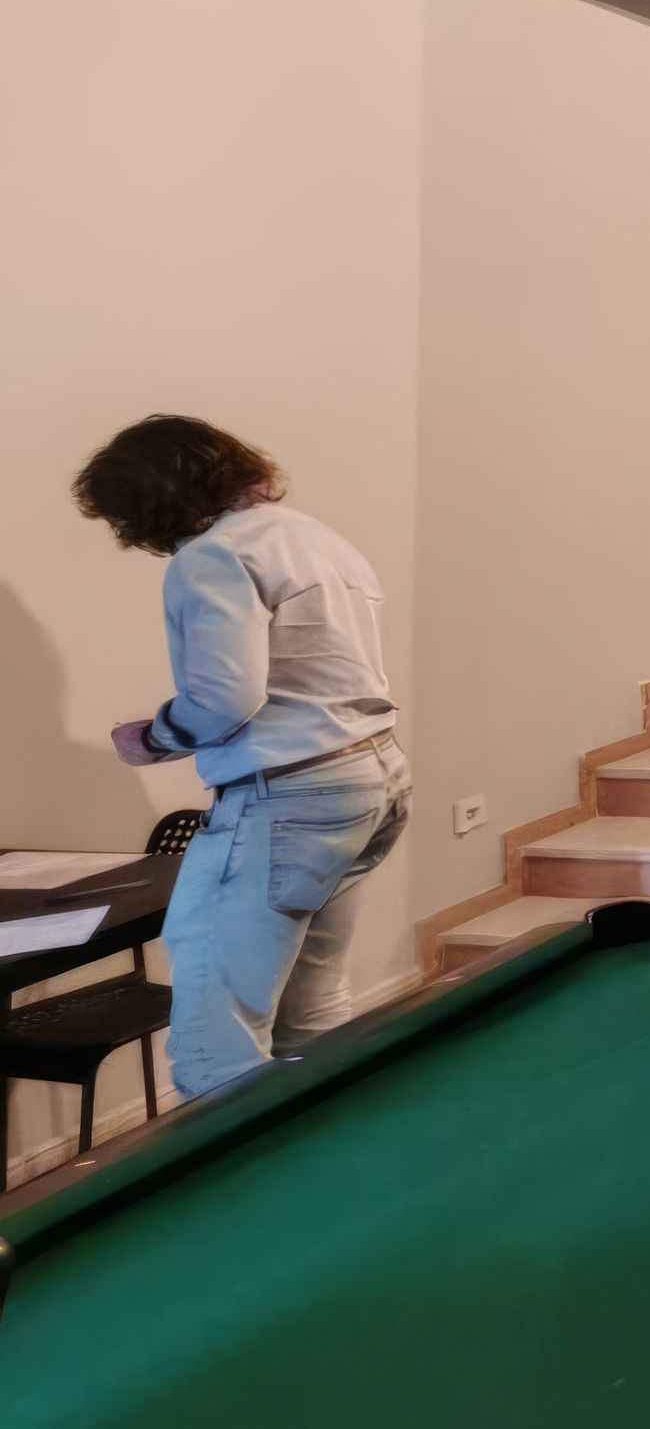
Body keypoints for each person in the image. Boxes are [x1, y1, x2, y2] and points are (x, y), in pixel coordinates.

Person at [74, 416, 410, 1098]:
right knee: (312, 1011)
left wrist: (151, 738)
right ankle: (332, 1148)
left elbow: (226, 697)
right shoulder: (315, 537)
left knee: (215, 1036)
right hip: (372, 778)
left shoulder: (213, 556)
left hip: (289, 795)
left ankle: (236, 1165)